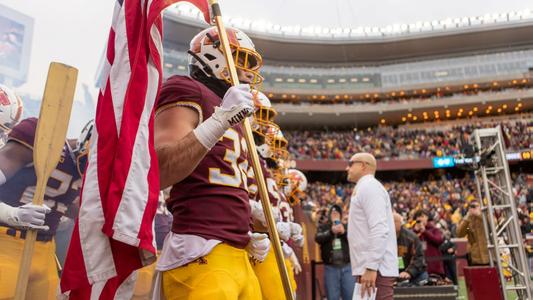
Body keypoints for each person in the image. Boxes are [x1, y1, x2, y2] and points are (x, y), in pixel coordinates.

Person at [153, 26, 269, 299]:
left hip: (237, 251)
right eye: (241, 60)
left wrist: (247, 225)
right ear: (214, 55)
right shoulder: (187, 88)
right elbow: (161, 169)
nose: (247, 71)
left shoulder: (234, 112)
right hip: (200, 248)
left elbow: (224, 183)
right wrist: (219, 120)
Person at [0, 117, 91, 299]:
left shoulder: (93, 173)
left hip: (46, 251)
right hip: (6, 244)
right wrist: (12, 214)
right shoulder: (42, 137)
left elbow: (74, 208)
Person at [346, 152, 398, 299]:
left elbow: (379, 229)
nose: (347, 168)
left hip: (376, 269)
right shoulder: (366, 187)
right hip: (371, 267)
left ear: (363, 165)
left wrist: (371, 266)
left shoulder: (370, 187)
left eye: (351, 164)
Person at [315, 204, 354, 300]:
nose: (335, 215)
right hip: (331, 268)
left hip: (347, 267)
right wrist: (331, 232)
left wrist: (343, 232)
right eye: (333, 213)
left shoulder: (346, 226)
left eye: (337, 213)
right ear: (329, 215)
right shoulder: (324, 227)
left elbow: (354, 240)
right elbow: (318, 238)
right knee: (332, 297)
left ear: (340, 215)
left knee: (350, 296)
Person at [393, 213, 428, 286]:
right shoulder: (384, 237)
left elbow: (419, 258)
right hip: (394, 274)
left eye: (394, 221)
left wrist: (409, 272)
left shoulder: (411, 238)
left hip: (415, 274)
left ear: (400, 223)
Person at [412, 209, 445, 277]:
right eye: (418, 217)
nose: (421, 218)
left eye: (422, 216)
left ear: (427, 217)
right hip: (419, 266)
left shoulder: (434, 229)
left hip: (433, 266)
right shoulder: (413, 231)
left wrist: (425, 232)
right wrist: (415, 231)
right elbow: (409, 243)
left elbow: (439, 240)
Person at [456, 200, 489, 266]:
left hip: (489, 255)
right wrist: (467, 217)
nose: (474, 208)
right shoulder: (468, 220)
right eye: (472, 206)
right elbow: (459, 234)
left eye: (476, 206)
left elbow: (493, 225)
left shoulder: (487, 215)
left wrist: (479, 215)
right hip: (474, 258)